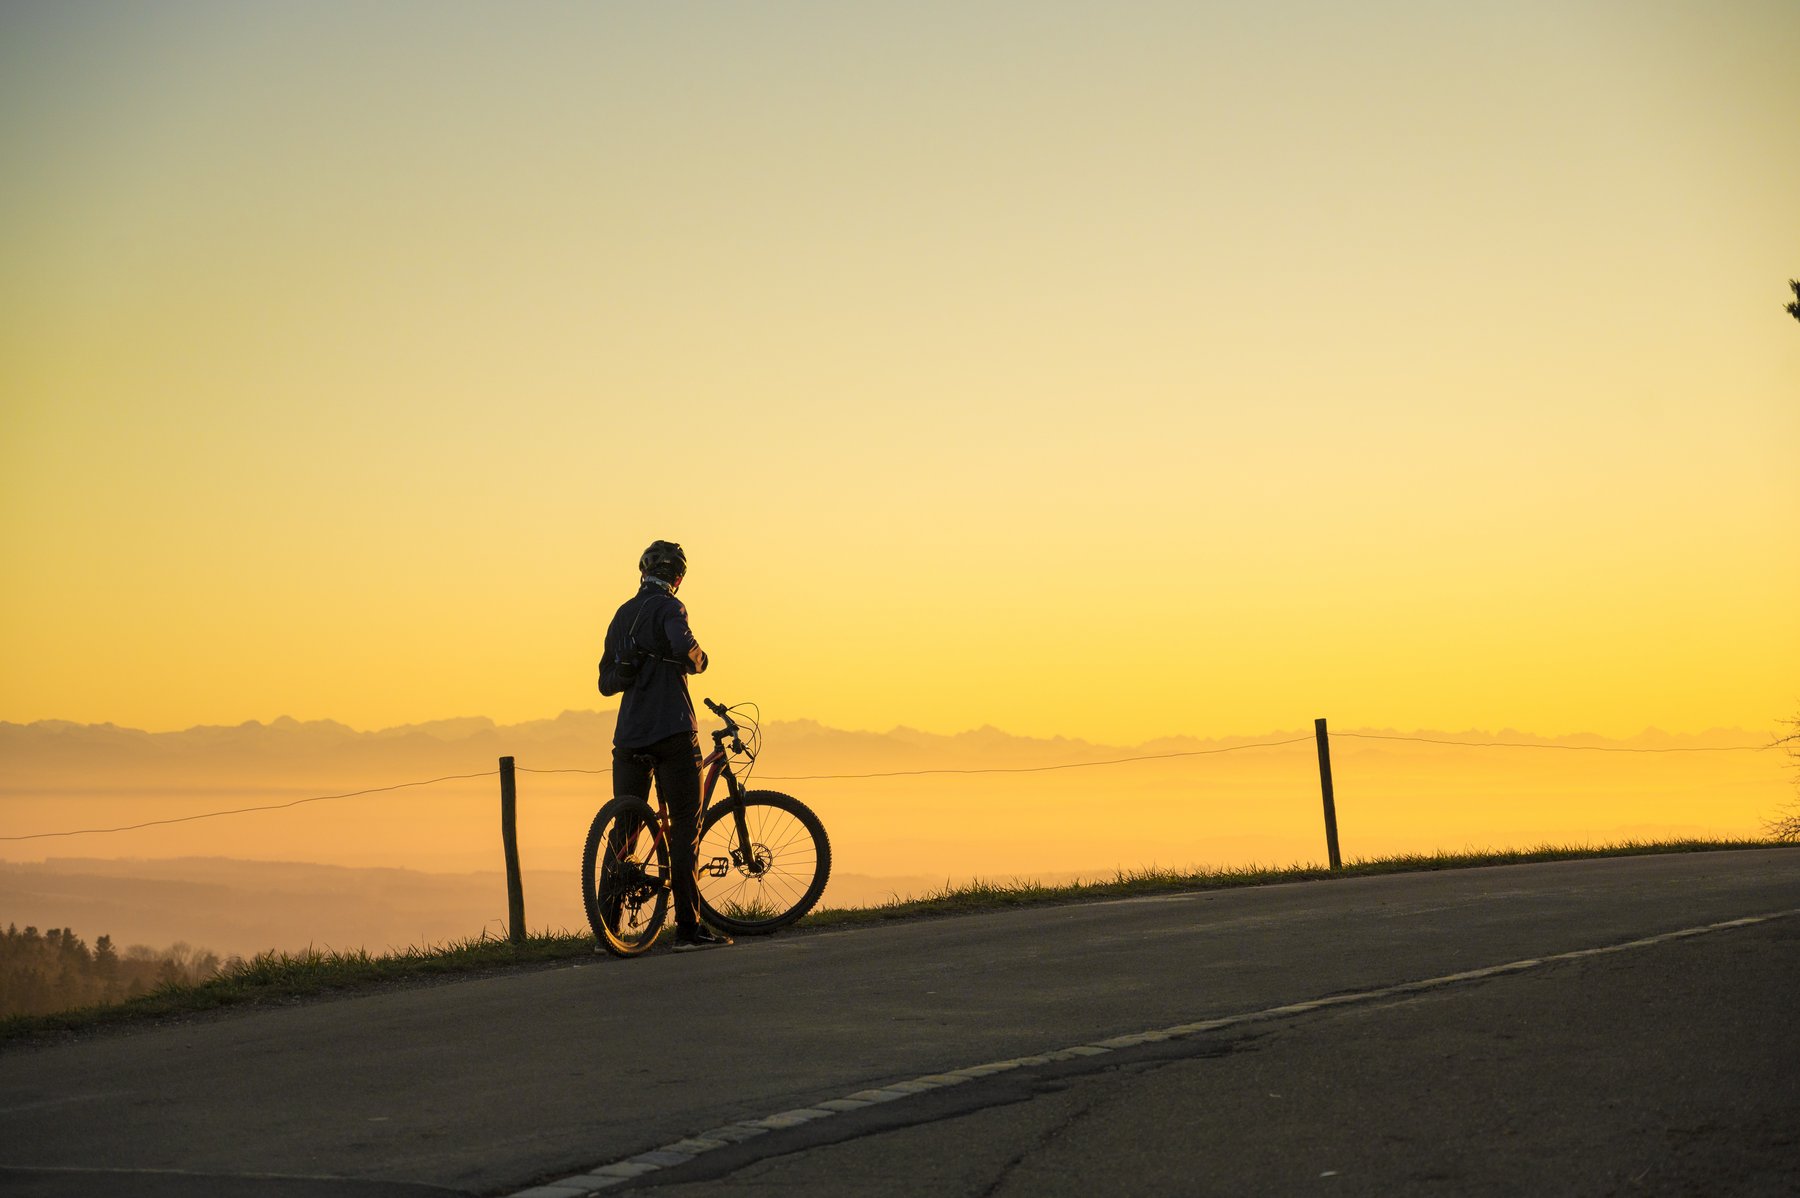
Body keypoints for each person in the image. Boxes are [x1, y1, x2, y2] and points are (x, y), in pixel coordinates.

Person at [598, 540, 733, 951]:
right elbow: (684, 648)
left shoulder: (622, 615)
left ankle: (607, 928)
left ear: (642, 572)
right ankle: (688, 931)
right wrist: (699, 659)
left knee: (625, 832)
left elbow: (605, 684)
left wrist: (627, 669)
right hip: (673, 732)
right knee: (684, 830)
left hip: (629, 737)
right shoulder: (672, 608)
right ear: (678, 577)